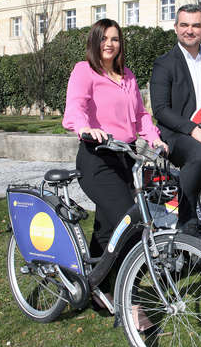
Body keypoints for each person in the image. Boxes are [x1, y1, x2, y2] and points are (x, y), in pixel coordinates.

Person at [62, 19, 167, 289]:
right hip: (97, 156)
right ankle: (129, 296)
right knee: (129, 219)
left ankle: (94, 285)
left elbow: (141, 116)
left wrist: (155, 140)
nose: (109, 44)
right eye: (104, 38)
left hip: (125, 158)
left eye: (115, 39)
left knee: (108, 228)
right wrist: (84, 127)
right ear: (94, 42)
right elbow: (76, 105)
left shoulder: (128, 76)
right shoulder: (85, 71)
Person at [150, 4, 201, 236]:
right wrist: (193, 129)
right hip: (178, 135)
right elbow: (160, 109)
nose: (190, 30)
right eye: (184, 25)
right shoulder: (164, 63)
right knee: (200, 154)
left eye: (195, 25)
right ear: (176, 28)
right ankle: (187, 221)